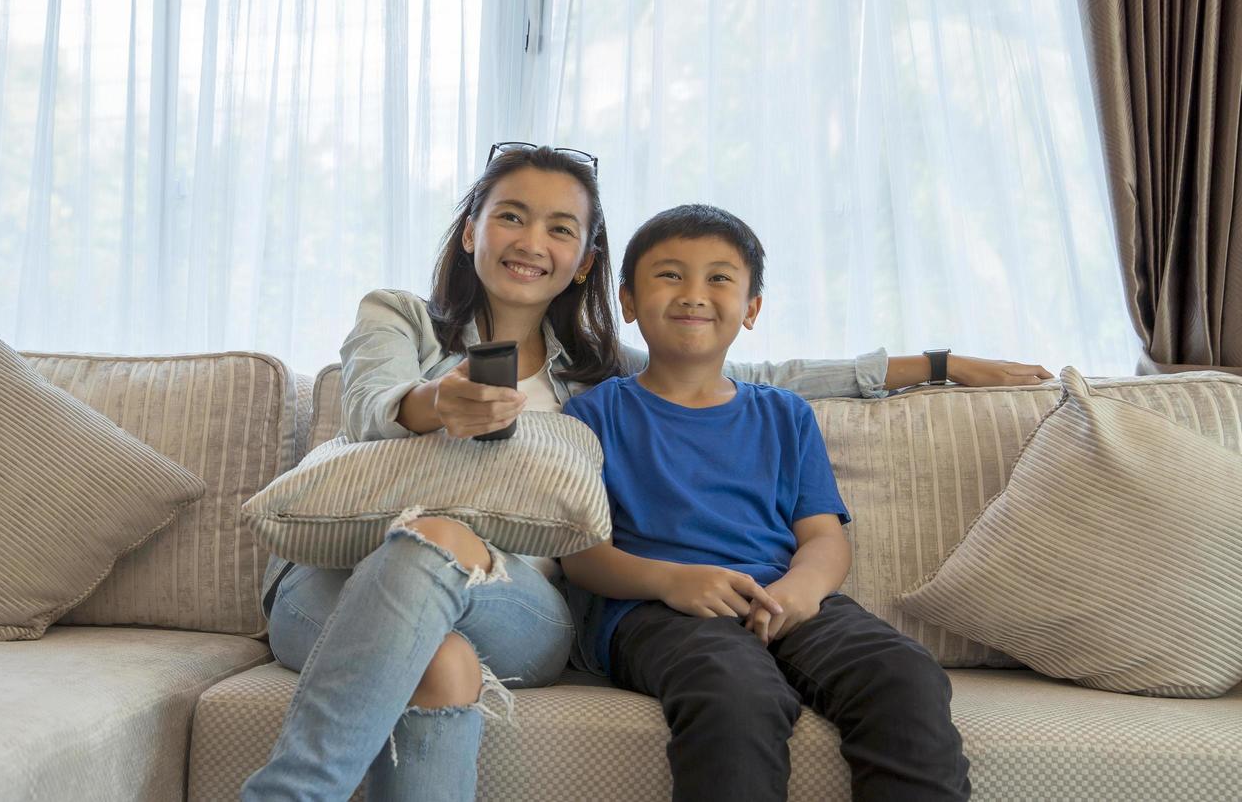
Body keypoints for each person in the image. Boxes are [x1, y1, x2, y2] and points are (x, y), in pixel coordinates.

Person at [241, 145, 1035, 801]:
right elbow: (371, 403)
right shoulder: (400, 316)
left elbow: (749, 370)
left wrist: (935, 362)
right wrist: (433, 403)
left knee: (446, 570)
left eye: (560, 227)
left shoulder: (593, 373)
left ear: (585, 261)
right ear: (469, 233)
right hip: (347, 578)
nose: (530, 241)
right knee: (440, 638)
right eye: (510, 216)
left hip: (507, 601)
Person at [560, 203, 972, 801]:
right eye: (669, 275)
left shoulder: (785, 415)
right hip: (659, 609)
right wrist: (674, 581)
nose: (694, 294)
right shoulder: (594, 415)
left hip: (786, 596)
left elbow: (825, 538)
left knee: (903, 673)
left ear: (751, 309)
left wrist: (802, 590)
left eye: (719, 278)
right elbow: (582, 556)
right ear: (626, 301)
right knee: (737, 691)